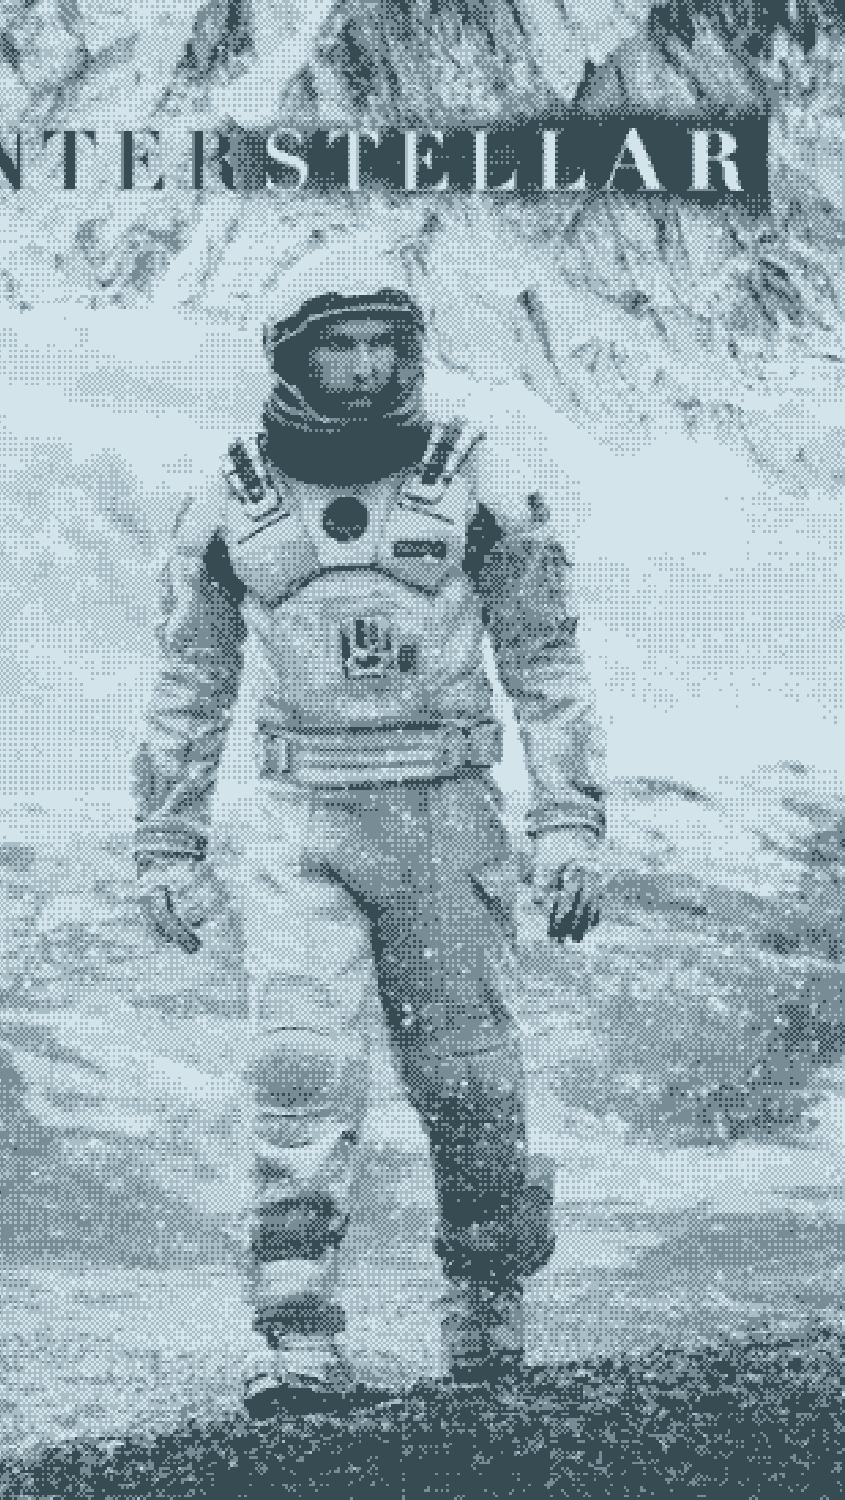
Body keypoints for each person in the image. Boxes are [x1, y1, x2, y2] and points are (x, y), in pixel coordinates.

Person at [132, 235, 606, 1416]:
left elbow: (547, 665)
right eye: (336, 348)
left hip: (445, 816)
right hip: (302, 820)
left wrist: (568, 821)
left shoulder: (479, 483)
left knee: (468, 1079)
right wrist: (166, 843)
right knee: (299, 1071)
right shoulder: (231, 499)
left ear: (410, 354)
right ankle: (294, 1334)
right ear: (291, 360)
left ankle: (486, 1312)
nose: (360, 369)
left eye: (380, 346)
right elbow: (188, 688)